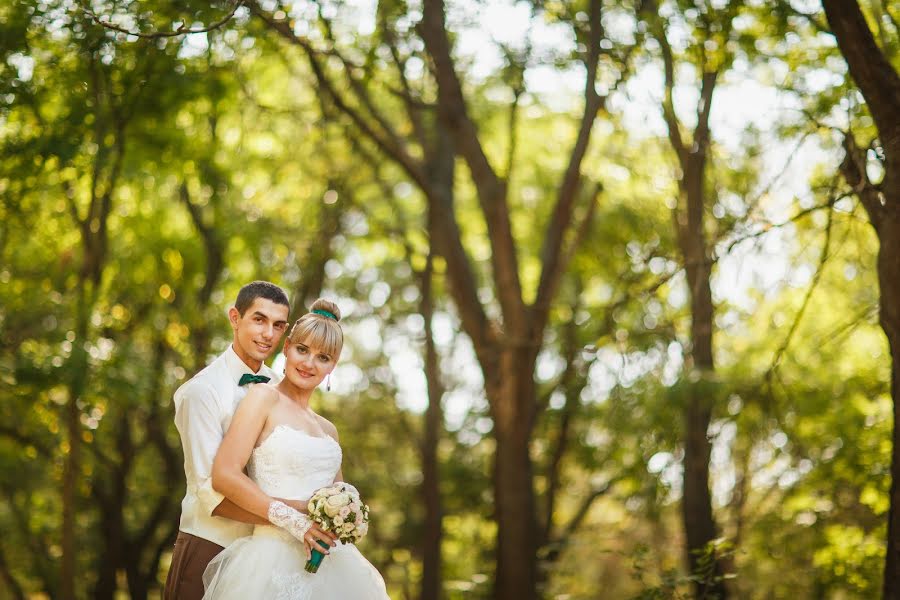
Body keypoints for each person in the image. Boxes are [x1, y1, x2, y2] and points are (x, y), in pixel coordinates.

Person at [202, 299, 390, 599]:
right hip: (269, 561)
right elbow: (224, 475)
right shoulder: (263, 398)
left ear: (333, 365)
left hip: (332, 566)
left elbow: (336, 495)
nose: (309, 363)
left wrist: (345, 516)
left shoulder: (329, 430)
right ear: (287, 347)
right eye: (302, 350)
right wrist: (295, 519)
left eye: (323, 357)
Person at [165, 281, 334, 599]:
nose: (268, 333)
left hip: (269, 556)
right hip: (209, 545)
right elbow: (210, 493)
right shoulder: (202, 392)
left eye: (278, 325)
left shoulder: (280, 387)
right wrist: (298, 516)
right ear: (234, 318)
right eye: (259, 319)